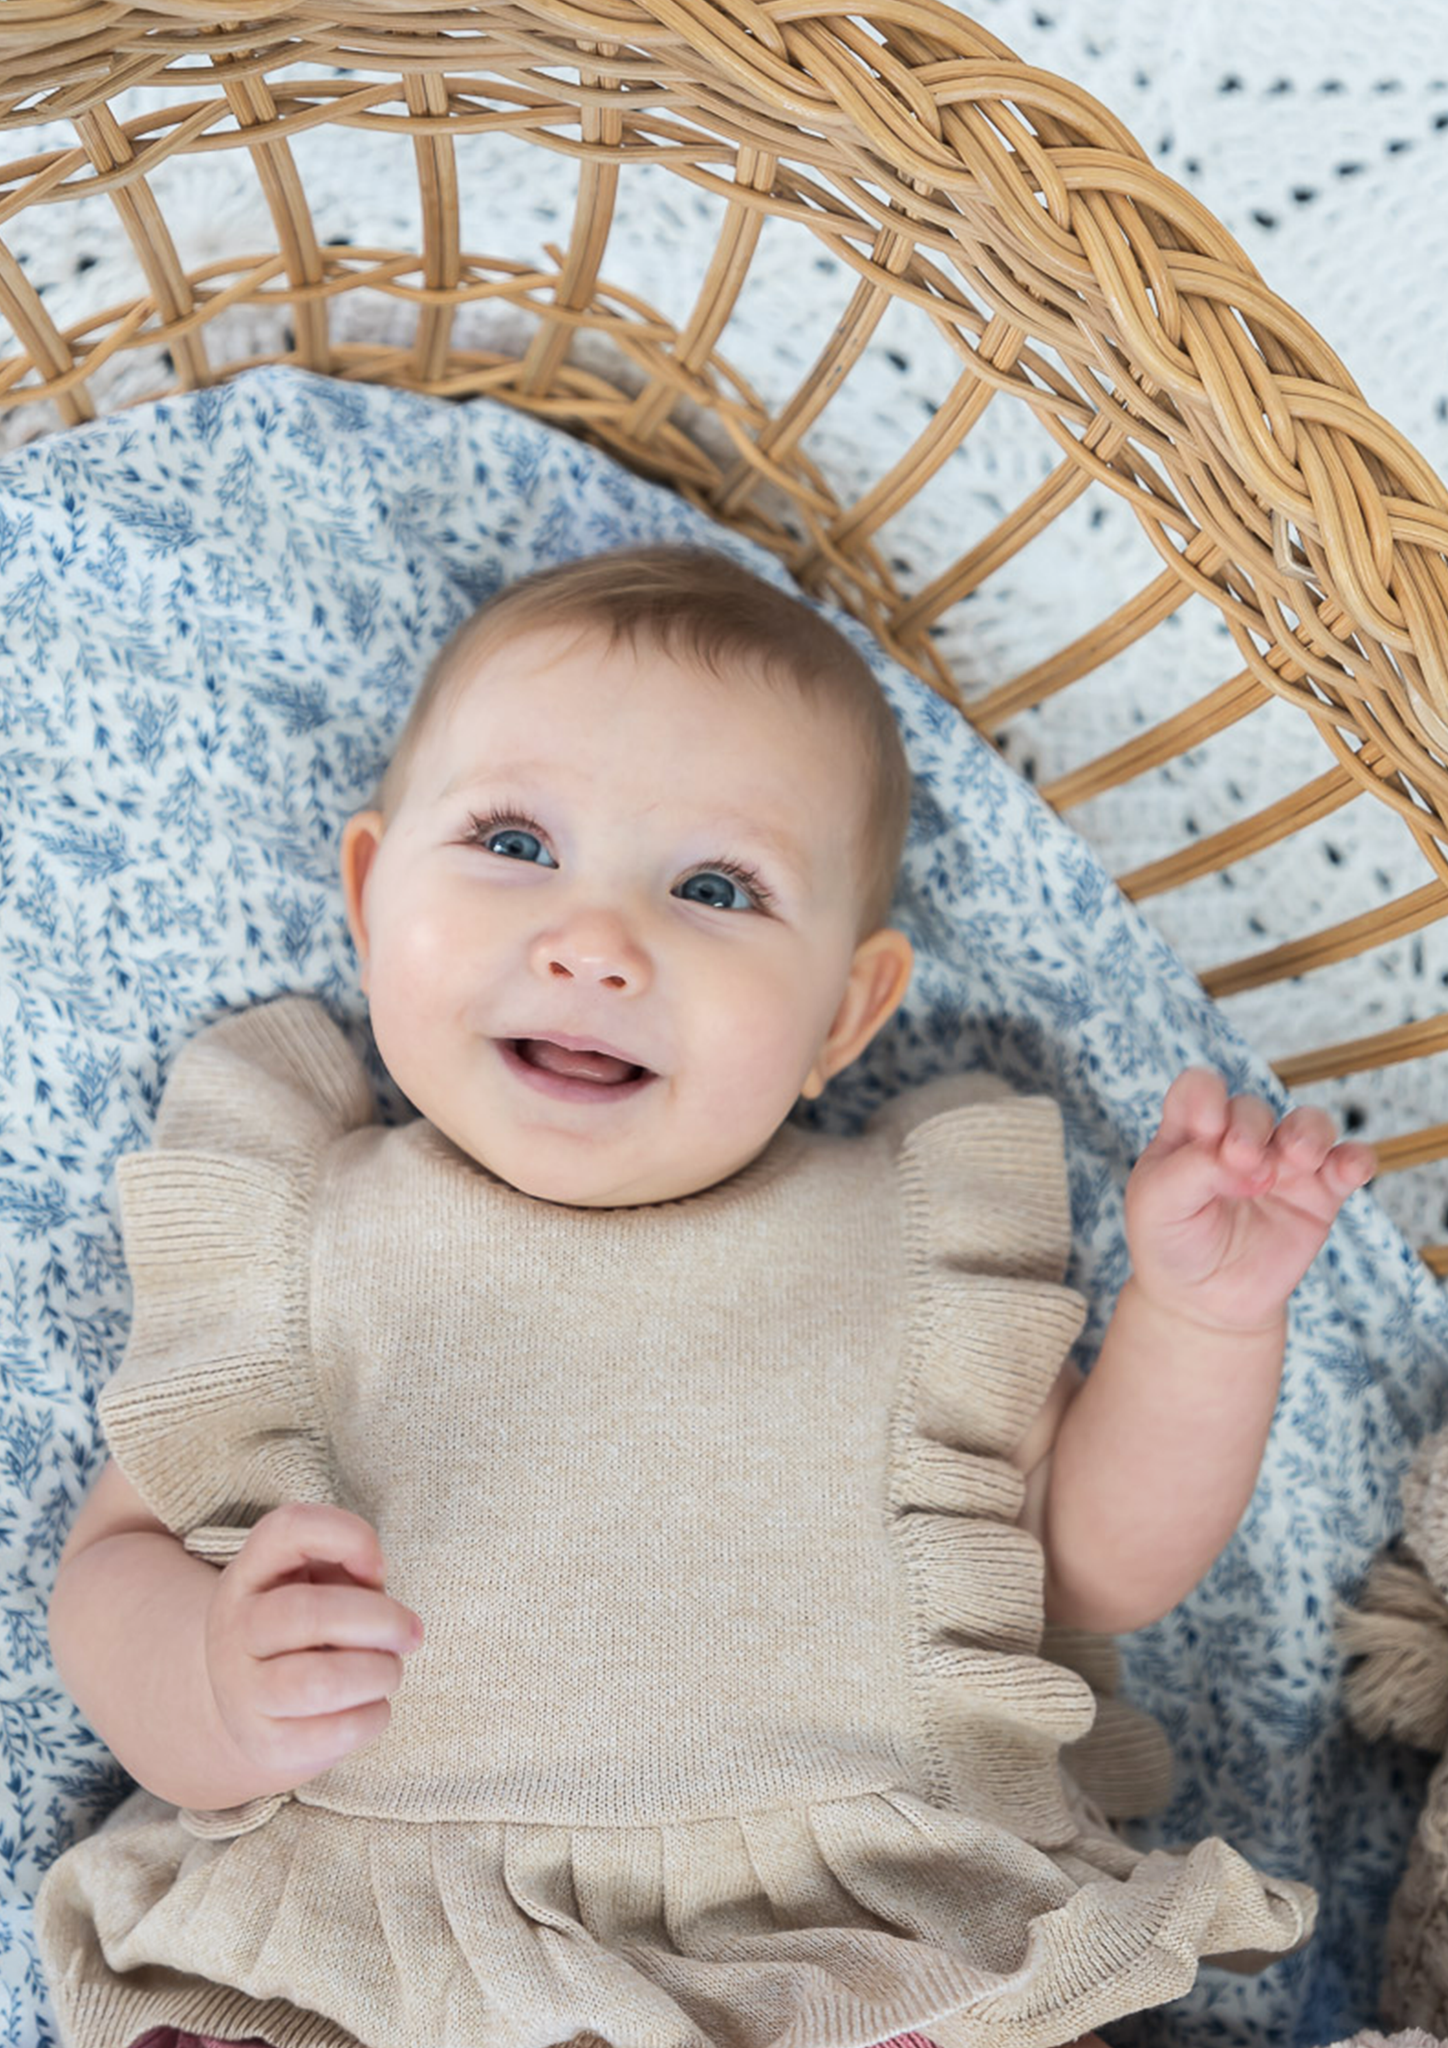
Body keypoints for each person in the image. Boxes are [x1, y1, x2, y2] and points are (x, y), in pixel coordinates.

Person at [36, 544, 1376, 2048]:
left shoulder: (902, 1249)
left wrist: (1200, 1322)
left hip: (839, 1943)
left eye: (717, 887)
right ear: (369, 890)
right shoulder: (299, 1226)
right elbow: (115, 1568)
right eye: (513, 842)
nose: (599, 943)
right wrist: (212, 1677)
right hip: (385, 1946)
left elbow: (1093, 1566)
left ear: (845, 1013)